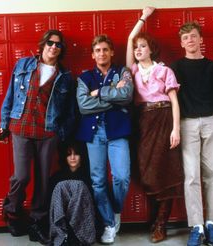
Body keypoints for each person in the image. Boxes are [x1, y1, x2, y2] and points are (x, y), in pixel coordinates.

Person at [0, 29, 76, 244]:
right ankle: (12, 211)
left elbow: (69, 111)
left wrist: (62, 135)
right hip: (21, 127)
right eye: (50, 43)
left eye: (58, 45)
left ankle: (37, 221)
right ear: (43, 45)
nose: (54, 47)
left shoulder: (65, 76)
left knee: (43, 180)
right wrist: (4, 125)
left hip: (47, 131)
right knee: (21, 176)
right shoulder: (23, 65)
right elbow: (10, 96)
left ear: (61, 50)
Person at [126, 7, 184, 243]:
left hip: (164, 119)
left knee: (165, 171)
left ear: (151, 49)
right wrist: (143, 17)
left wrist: (176, 129)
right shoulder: (132, 70)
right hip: (143, 121)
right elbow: (130, 38)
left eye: (143, 46)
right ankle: (155, 220)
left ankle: (160, 224)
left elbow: (174, 101)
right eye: (137, 47)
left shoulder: (164, 70)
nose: (138, 50)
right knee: (148, 172)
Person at [171, 22, 213, 246]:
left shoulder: (212, 67)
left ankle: (211, 223)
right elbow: (171, 97)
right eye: (185, 38)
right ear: (181, 43)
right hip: (187, 124)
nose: (190, 41)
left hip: (210, 122)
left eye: (193, 36)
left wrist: (208, 112)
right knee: (192, 176)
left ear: (201, 39)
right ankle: (196, 225)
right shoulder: (176, 67)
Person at [75, 34, 133, 244]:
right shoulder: (84, 78)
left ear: (112, 52)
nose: (102, 53)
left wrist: (99, 92)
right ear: (93, 55)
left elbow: (127, 95)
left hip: (117, 131)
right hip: (94, 133)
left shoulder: (122, 72)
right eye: (98, 50)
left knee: (121, 177)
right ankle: (109, 223)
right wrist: (114, 100)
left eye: (105, 50)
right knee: (98, 182)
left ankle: (116, 209)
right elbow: (83, 106)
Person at [48, 141, 96, 246]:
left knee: (79, 186)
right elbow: (51, 205)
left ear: (81, 156)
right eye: (69, 154)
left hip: (83, 222)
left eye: (76, 154)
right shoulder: (56, 177)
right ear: (65, 157)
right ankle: (62, 236)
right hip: (61, 221)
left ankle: (76, 234)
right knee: (60, 186)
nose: (73, 157)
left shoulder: (89, 177)